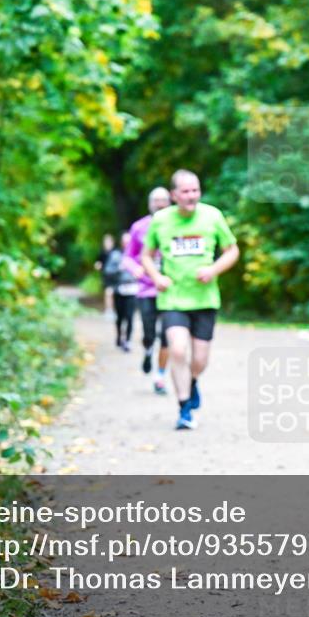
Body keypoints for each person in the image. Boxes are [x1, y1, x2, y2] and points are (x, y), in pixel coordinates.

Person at [141, 169, 239, 430]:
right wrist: (156, 278)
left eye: (195, 190)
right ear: (174, 195)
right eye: (185, 191)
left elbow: (232, 250)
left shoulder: (212, 216)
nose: (191, 195)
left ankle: (192, 381)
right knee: (177, 349)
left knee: (199, 361)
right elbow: (146, 255)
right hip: (173, 298)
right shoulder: (161, 220)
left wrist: (213, 270)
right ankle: (184, 409)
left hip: (205, 299)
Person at [123, 187, 173, 394]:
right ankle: (147, 350)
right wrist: (135, 268)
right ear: (149, 203)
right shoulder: (139, 227)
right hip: (146, 289)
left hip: (170, 290)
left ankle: (160, 376)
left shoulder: (177, 225)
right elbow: (128, 256)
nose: (160, 204)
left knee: (167, 336)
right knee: (149, 334)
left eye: (164, 200)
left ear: (170, 202)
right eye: (156, 200)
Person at [113, 231, 138, 352]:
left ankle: (127, 341)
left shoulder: (137, 256)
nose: (127, 244)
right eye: (125, 242)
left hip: (132, 290)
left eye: (129, 242)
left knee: (130, 317)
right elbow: (107, 271)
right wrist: (118, 269)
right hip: (119, 291)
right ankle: (119, 337)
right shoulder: (116, 255)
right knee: (120, 317)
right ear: (121, 243)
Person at [94, 234, 122, 322]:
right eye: (106, 242)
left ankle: (115, 310)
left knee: (115, 294)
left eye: (109, 242)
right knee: (108, 293)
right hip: (107, 277)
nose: (107, 244)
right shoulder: (102, 253)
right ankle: (109, 310)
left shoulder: (117, 252)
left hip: (117, 277)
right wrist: (98, 266)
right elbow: (98, 263)